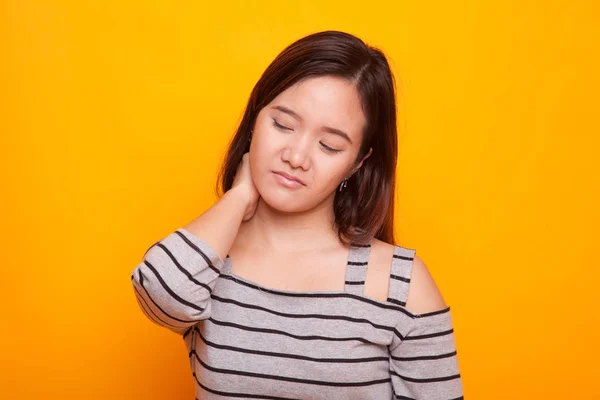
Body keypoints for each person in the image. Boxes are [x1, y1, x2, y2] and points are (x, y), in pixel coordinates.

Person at [131, 30, 464, 399]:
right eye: (283, 125)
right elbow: (160, 293)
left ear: (357, 162)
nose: (296, 156)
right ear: (255, 118)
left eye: (329, 145)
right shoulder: (210, 261)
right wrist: (239, 196)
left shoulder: (400, 284)